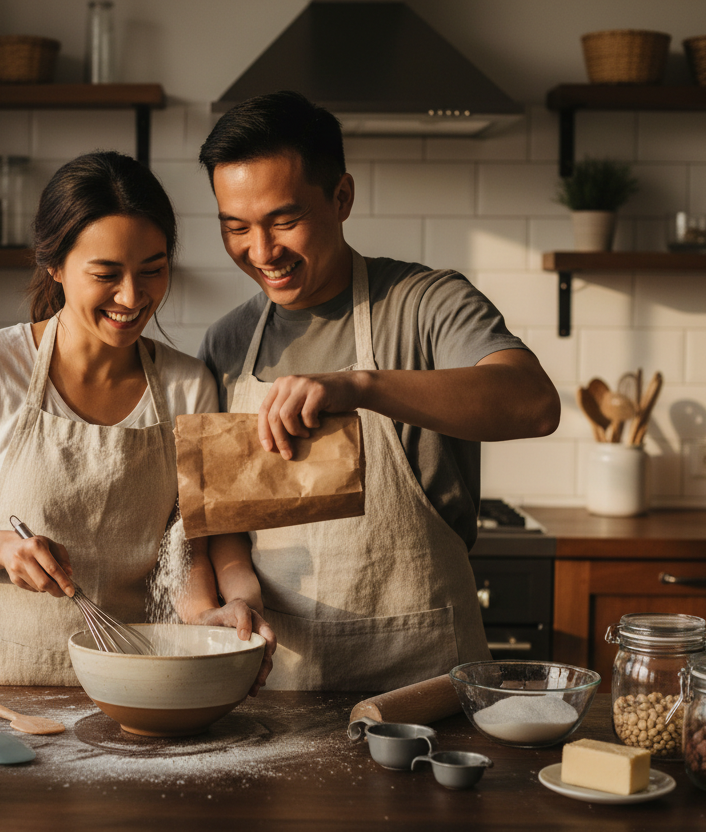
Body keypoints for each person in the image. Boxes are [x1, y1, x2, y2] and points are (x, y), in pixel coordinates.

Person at [196, 91, 561, 691]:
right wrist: (238, 599)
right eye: (236, 228)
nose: (261, 252)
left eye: (284, 221)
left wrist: (360, 386)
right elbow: (224, 520)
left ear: (341, 198)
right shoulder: (228, 344)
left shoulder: (426, 303)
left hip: (427, 685)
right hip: (280, 684)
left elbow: (534, 404)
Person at [0, 150, 275, 689]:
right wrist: (1, 548)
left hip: (130, 685)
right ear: (54, 266)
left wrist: (206, 617)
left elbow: (189, 544)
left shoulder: (188, 386)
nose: (132, 297)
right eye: (106, 274)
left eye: (153, 270)